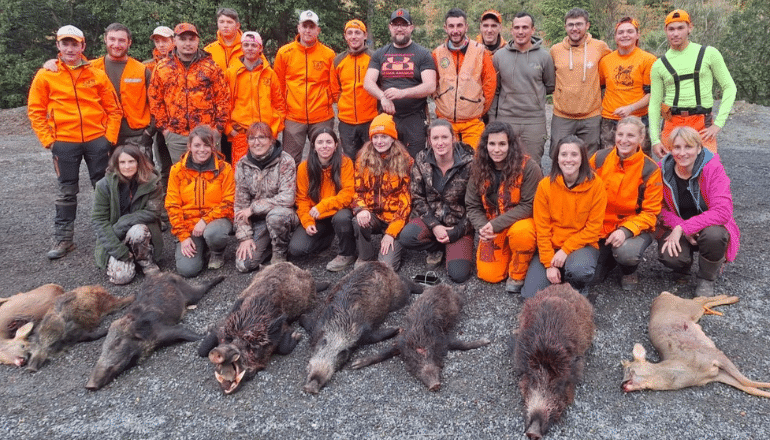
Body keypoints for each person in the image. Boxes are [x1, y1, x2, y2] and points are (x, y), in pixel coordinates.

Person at [27, 25, 122, 259]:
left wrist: (108, 138)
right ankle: (64, 239)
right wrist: (49, 141)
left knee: (104, 188)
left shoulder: (96, 73)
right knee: (66, 191)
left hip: (96, 140)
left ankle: (112, 235)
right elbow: (35, 110)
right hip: (64, 142)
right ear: (58, 46)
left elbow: (114, 109)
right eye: (65, 44)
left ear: (83, 46)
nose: (70, 48)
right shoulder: (46, 74)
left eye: (74, 44)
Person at [657, 126, 740, 296]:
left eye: (688, 147)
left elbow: (723, 211)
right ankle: (683, 266)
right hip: (678, 224)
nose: (682, 153)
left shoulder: (713, 168)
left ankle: (706, 278)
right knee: (669, 254)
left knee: (715, 236)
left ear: (699, 148)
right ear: (670, 149)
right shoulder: (661, 170)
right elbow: (658, 207)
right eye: (677, 147)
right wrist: (680, 226)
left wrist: (685, 228)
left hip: (708, 227)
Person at [522, 136, 607, 298]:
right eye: (564, 154)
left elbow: (593, 229)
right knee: (530, 295)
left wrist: (565, 250)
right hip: (551, 246)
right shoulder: (545, 186)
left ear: (582, 158)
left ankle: (577, 286)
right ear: (557, 158)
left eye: (574, 155)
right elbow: (542, 227)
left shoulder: (596, 185)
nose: (569, 160)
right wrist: (548, 264)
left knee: (579, 271)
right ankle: (558, 272)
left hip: (582, 245)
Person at [466, 122, 542, 293]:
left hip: (520, 223)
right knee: (489, 275)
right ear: (485, 145)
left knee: (522, 233)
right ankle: (508, 254)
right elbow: (472, 204)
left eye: (502, 144)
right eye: (492, 144)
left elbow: (529, 205)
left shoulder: (529, 167)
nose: (497, 149)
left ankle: (518, 273)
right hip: (492, 226)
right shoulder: (478, 167)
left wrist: (495, 224)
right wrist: (482, 227)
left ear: (510, 145)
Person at [649, 9, 736, 158]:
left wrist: (719, 124)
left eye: (680, 28)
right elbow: (655, 102)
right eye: (671, 29)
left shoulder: (709, 53)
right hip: (671, 122)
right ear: (665, 31)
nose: (675, 33)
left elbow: (729, 87)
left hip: (701, 123)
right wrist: (655, 140)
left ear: (690, 28)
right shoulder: (659, 65)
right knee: (672, 174)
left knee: (708, 170)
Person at [590, 116, 662, 291]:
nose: (624, 140)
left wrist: (625, 230)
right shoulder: (599, 159)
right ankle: (607, 258)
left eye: (630, 135)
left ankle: (628, 270)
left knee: (626, 254)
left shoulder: (650, 169)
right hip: (600, 226)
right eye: (620, 134)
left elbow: (651, 213)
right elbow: (584, 194)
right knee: (591, 276)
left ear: (641, 139)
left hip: (633, 227)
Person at [400, 119, 475, 283]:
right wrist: (435, 226)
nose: (440, 143)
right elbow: (417, 197)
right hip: (432, 220)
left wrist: (457, 231)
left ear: (453, 138)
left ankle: (451, 246)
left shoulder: (471, 163)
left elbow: (476, 206)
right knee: (406, 237)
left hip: (460, 224)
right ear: (429, 140)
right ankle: (437, 247)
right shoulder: (421, 159)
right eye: (435, 138)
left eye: (444, 137)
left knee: (458, 275)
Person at [148, 23, 230, 165]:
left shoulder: (211, 67)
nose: (187, 43)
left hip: (207, 134)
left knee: (212, 176)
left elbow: (223, 98)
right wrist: (165, 130)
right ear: (174, 41)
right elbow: (155, 100)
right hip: (176, 136)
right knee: (182, 178)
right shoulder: (162, 68)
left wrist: (218, 129)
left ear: (198, 41)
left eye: (191, 39)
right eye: (183, 39)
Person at [364, 8, 437, 158]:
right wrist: (382, 97)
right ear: (390, 28)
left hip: (414, 117)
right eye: (395, 24)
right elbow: (368, 82)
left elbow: (430, 85)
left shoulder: (423, 54)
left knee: (414, 161)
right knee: (386, 159)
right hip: (387, 117)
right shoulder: (380, 54)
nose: (399, 28)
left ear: (411, 27)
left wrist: (403, 93)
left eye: (404, 24)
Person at [166, 125, 234, 277]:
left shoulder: (224, 169)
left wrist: (205, 220)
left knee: (215, 233)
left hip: (215, 221)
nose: (202, 150)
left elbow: (229, 202)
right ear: (189, 146)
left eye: (206, 145)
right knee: (188, 270)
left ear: (213, 146)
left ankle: (216, 252)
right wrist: (183, 237)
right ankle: (200, 248)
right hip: (189, 226)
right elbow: (172, 205)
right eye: (197, 145)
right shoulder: (177, 170)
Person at [92, 145, 163, 285]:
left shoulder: (152, 182)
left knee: (138, 230)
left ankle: (145, 260)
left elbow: (153, 212)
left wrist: (124, 222)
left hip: (140, 232)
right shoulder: (103, 185)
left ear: (139, 162)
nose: (127, 166)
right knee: (121, 278)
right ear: (116, 164)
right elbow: (99, 220)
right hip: (115, 235)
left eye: (131, 161)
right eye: (122, 162)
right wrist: (119, 252)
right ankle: (128, 258)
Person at [489, 12, 555, 164]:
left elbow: (550, 85)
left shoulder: (544, 57)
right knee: (503, 163)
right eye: (516, 27)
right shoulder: (499, 56)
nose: (520, 31)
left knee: (532, 164)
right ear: (511, 30)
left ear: (532, 30)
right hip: (506, 118)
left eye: (525, 27)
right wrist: (493, 121)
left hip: (534, 121)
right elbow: (495, 90)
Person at [233, 122, 298, 272]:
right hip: (258, 222)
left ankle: (279, 253)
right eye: (252, 138)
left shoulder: (285, 160)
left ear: (272, 140)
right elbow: (240, 205)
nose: (257, 142)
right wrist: (245, 237)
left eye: (262, 137)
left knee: (276, 216)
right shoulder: (242, 165)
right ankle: (266, 245)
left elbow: (288, 198)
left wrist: (254, 208)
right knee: (244, 265)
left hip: (283, 215)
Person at [351, 113, 413, 270]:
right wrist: (361, 210)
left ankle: (394, 244)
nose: (379, 141)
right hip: (374, 216)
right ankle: (365, 257)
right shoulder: (362, 159)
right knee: (357, 221)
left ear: (393, 138)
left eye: (384, 137)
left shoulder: (406, 162)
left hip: (395, 219)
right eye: (376, 137)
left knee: (386, 267)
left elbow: (406, 202)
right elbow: (357, 191)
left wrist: (391, 232)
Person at [273, 10, 335, 165]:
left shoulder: (328, 54)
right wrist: (283, 110)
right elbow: (278, 85)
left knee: (324, 158)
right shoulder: (284, 53)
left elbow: (333, 84)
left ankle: (321, 189)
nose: (308, 30)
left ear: (318, 30)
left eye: (312, 26)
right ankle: (291, 190)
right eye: (305, 26)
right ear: (298, 28)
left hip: (322, 116)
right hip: (293, 116)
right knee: (290, 160)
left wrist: (327, 102)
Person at [289, 128, 356, 271]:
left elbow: (348, 193)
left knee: (342, 218)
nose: (324, 146)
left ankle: (347, 253)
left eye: (328, 142)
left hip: (338, 211)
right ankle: (326, 238)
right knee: (296, 249)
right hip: (317, 216)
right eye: (320, 142)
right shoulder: (304, 168)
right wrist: (307, 222)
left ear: (336, 145)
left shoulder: (345, 163)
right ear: (313, 145)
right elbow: (302, 199)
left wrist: (323, 205)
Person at [550, 8, 611, 157]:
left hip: (591, 115)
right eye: (570, 25)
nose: (574, 28)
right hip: (562, 115)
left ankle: (587, 181)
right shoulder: (555, 50)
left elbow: (609, 71)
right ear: (565, 27)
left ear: (587, 25)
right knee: (559, 156)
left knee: (589, 158)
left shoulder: (600, 47)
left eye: (579, 24)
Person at [432, 8, 496, 150]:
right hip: (445, 122)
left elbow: (490, 86)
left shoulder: (480, 52)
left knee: (474, 163)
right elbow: (432, 84)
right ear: (445, 28)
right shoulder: (437, 54)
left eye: (459, 25)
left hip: (472, 123)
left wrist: (477, 109)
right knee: (446, 163)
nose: (455, 30)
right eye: (451, 26)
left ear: (466, 27)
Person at [225, 31, 286, 166]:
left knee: (267, 172)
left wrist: (274, 130)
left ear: (260, 48)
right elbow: (224, 104)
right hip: (241, 134)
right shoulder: (231, 73)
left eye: (254, 45)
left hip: (265, 134)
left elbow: (279, 104)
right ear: (241, 48)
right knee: (241, 174)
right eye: (246, 45)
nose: (250, 48)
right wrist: (230, 130)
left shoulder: (269, 74)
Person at [598, 17, 656, 154]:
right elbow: (600, 87)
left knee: (640, 159)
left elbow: (652, 93)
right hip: (610, 119)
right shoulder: (605, 61)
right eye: (621, 32)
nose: (625, 35)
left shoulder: (648, 60)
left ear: (637, 35)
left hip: (638, 118)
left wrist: (631, 108)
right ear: (615, 36)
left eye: (630, 31)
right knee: (608, 159)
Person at [331, 19, 378, 159]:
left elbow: (382, 85)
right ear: (345, 36)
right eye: (349, 33)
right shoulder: (338, 60)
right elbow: (334, 90)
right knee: (349, 159)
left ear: (365, 35)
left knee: (372, 158)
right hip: (347, 122)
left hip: (371, 119)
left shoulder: (374, 58)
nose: (353, 36)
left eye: (357, 33)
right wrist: (343, 104)